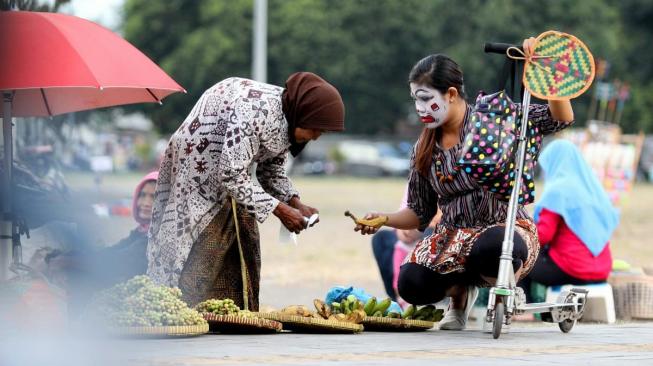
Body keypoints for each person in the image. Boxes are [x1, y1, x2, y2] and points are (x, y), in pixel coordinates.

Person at [353, 37, 575, 330]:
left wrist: (546, 74)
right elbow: (419, 213)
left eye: (424, 98)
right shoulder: (424, 148)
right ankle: (459, 293)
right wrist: (384, 219)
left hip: (505, 233)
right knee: (410, 283)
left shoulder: (495, 120)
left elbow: (560, 118)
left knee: (491, 246)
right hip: (452, 240)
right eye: (415, 99)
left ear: (452, 94)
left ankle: (503, 294)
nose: (419, 107)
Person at [147, 73, 345, 310]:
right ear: (302, 115)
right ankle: (173, 308)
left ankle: (234, 313)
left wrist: (295, 202)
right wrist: (280, 210)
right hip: (197, 165)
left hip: (231, 172)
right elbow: (231, 174)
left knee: (244, 239)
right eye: (315, 130)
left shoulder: (286, 116)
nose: (315, 137)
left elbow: (270, 172)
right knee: (191, 239)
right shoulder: (253, 113)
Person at [518, 139, 619, 302]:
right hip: (602, 269)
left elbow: (543, 236)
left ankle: (525, 307)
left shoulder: (558, 191)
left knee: (519, 258)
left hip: (572, 268)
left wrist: (523, 231)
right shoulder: (593, 189)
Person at [371, 186, 439, 304]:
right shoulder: (416, 177)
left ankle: (425, 297)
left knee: (428, 236)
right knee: (381, 239)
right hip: (411, 228)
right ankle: (396, 299)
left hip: (432, 228)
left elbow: (444, 215)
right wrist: (401, 229)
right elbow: (405, 209)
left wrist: (418, 228)